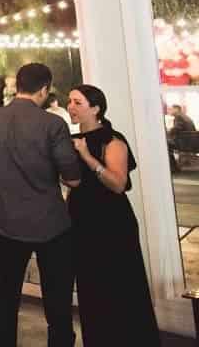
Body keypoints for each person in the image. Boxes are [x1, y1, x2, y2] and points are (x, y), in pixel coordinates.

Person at [0, 64, 81, 347]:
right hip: (51, 224)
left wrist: (3, 202)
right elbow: (72, 179)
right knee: (56, 297)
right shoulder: (52, 124)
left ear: (18, 85)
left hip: (9, 223)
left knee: (7, 295)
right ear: (44, 89)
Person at [66, 85, 159, 345]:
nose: (70, 107)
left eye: (77, 102)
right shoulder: (70, 139)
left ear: (95, 108)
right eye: (69, 102)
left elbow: (118, 184)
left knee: (120, 287)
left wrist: (86, 157)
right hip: (81, 222)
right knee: (90, 288)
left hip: (111, 223)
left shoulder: (112, 139)